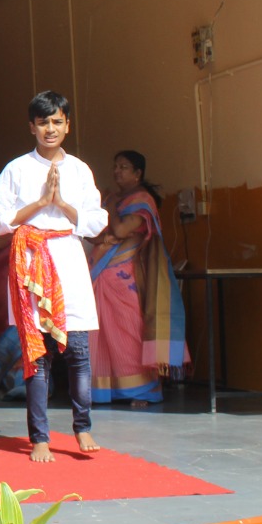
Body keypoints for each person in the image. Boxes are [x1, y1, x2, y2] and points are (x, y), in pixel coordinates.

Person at [0, 91, 108, 464]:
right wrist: (40, 203)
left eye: (57, 121)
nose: (50, 129)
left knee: (78, 352)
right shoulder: (16, 169)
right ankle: (39, 437)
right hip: (30, 264)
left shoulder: (80, 170)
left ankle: (82, 426)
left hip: (68, 260)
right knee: (37, 356)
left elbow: (96, 222)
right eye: (43, 123)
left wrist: (62, 205)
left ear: (67, 125)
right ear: (32, 127)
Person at [89, 150, 189, 406]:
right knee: (103, 335)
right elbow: (95, 233)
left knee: (129, 332)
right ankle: (109, 390)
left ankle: (143, 391)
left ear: (138, 174)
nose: (117, 171)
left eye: (123, 167)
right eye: (115, 166)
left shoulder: (142, 201)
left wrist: (111, 207)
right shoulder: (115, 199)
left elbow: (121, 229)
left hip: (126, 281)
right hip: (103, 278)